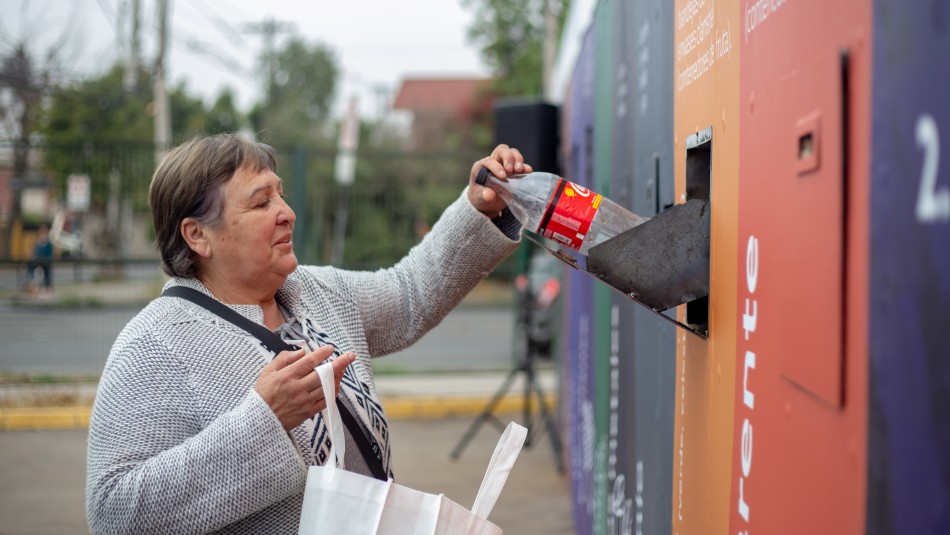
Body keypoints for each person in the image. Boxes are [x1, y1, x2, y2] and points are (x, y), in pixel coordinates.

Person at [85, 133, 531, 534]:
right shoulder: (154, 344)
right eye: (262, 203)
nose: (287, 213)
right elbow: (113, 513)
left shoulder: (316, 291)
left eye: (281, 195)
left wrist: (478, 208)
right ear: (198, 235)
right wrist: (265, 420)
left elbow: (410, 293)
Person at [26, 223, 53, 297]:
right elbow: (33, 252)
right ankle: (32, 283)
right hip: (37, 261)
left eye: (44, 231)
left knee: (47, 270)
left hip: (45, 262)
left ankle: (47, 287)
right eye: (42, 231)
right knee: (31, 266)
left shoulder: (48, 244)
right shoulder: (37, 243)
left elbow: (50, 254)